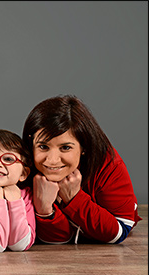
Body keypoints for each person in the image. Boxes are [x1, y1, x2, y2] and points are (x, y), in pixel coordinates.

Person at [22, 94, 142, 244]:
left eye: (65, 147)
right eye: (43, 146)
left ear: (84, 146)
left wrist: (74, 198)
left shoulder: (107, 162)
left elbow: (119, 231)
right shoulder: (22, 167)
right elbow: (60, 239)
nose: (52, 160)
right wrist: (44, 210)